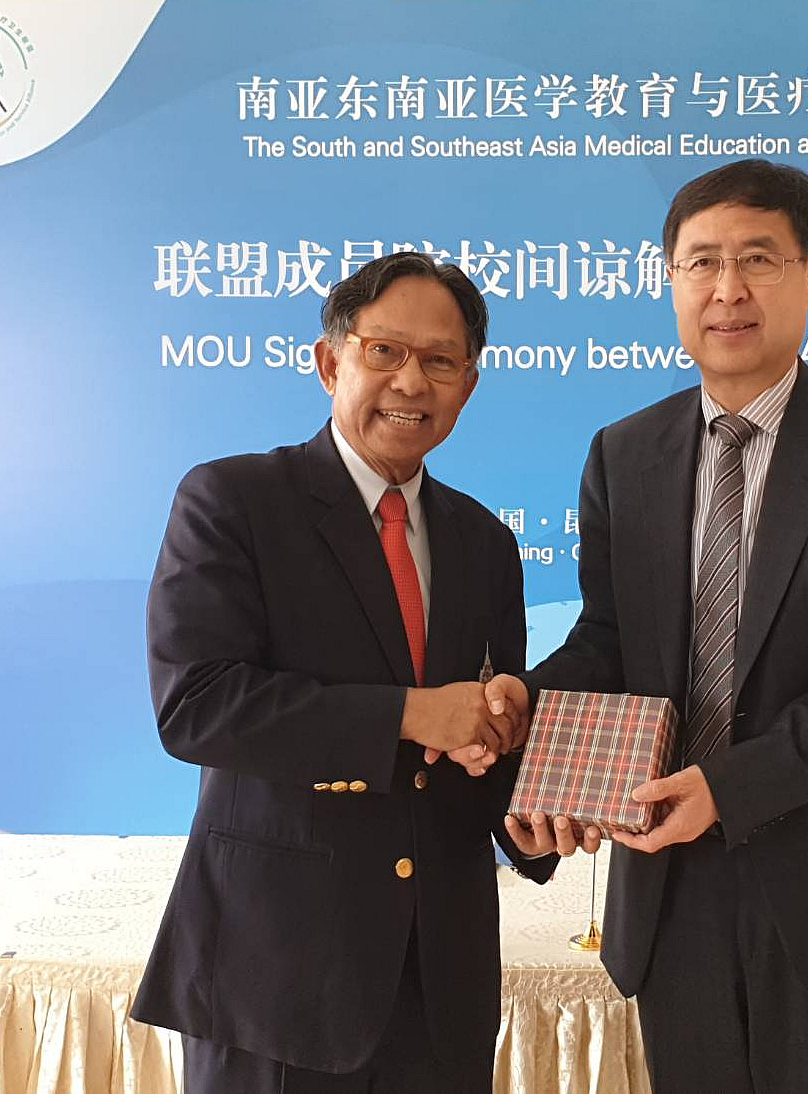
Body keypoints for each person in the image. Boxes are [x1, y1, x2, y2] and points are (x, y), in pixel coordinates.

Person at [487, 161, 808, 1093]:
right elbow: (610, 641)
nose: (728, 288)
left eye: (758, 258)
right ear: (671, 279)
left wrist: (729, 785)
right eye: (701, 261)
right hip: (670, 875)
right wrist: (527, 713)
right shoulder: (624, 451)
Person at [130, 251, 556, 1093]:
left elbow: (479, 734)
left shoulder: (483, 541)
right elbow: (197, 705)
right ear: (331, 363)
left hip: (440, 982)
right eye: (384, 351)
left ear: (468, 386)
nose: (412, 382)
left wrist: (525, 817)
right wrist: (408, 713)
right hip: (276, 972)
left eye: (441, 361)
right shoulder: (235, 500)